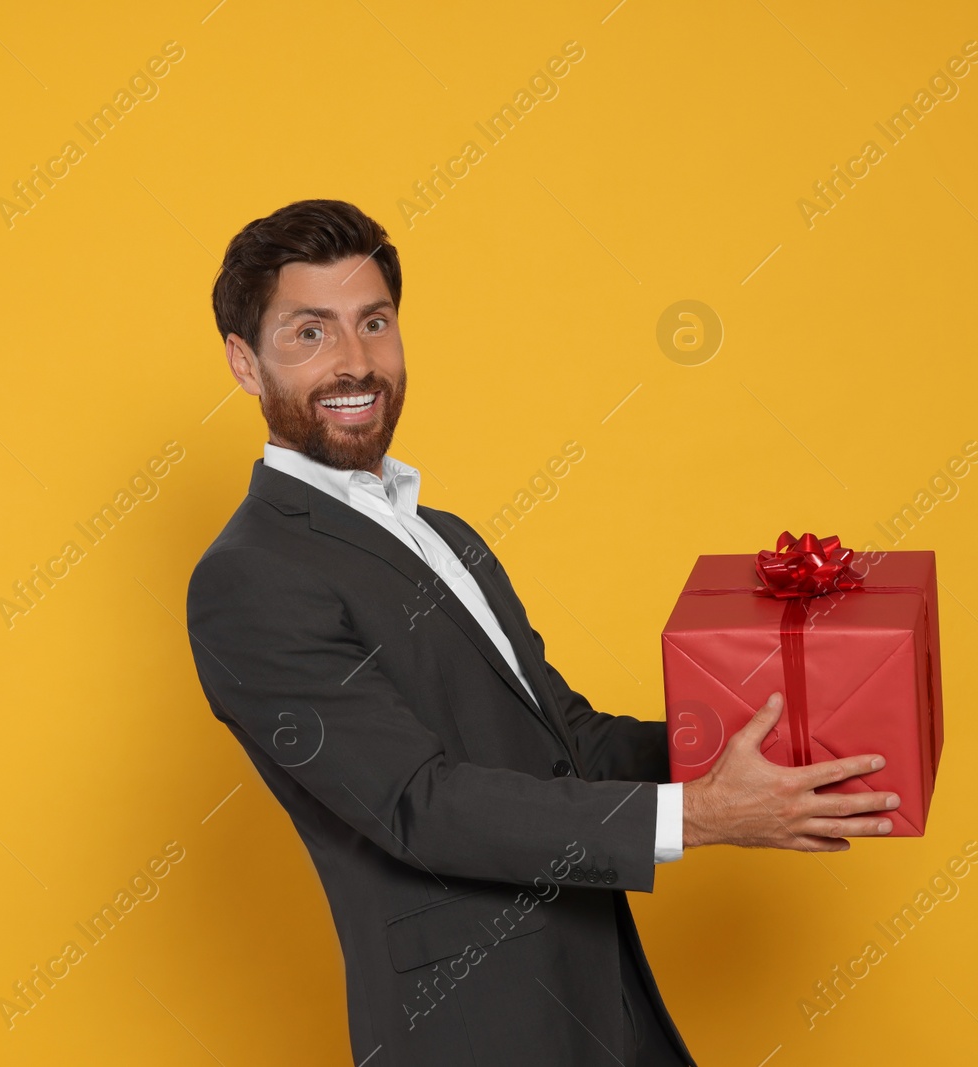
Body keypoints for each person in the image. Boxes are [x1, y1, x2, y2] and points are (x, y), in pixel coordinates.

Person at [185, 199, 901, 1066]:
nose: (355, 361)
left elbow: (568, 740)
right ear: (244, 362)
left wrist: (768, 745)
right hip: (473, 1029)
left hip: (607, 996)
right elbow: (421, 805)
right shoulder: (248, 577)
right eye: (309, 333)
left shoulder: (446, 536)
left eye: (374, 323)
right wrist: (703, 814)